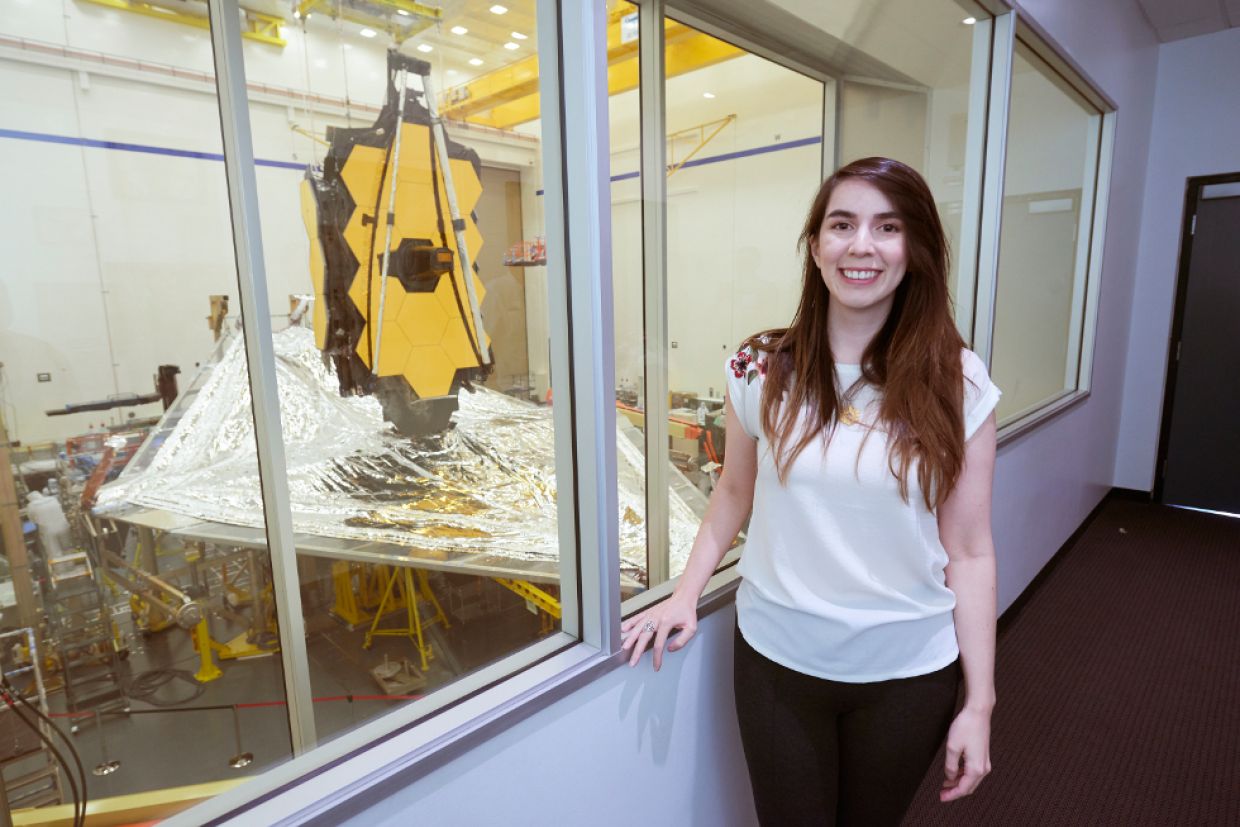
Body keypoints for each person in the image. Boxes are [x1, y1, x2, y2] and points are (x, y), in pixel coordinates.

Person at [622, 156, 1000, 826]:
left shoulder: (958, 381)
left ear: (914, 249)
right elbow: (733, 493)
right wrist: (684, 593)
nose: (862, 244)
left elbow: (969, 551)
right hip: (778, 660)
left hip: (908, 671)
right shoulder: (760, 367)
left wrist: (979, 703)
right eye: (842, 224)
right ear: (816, 247)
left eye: (887, 226)